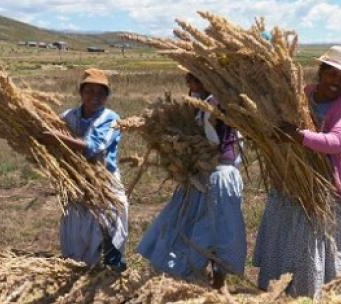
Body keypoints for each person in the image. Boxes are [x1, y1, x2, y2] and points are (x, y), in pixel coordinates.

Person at [254, 45, 341, 298]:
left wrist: (298, 136)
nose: (337, 82)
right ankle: (280, 288)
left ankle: (316, 293)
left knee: (313, 239)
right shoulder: (304, 93)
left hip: (326, 184)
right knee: (288, 232)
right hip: (292, 177)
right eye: (332, 74)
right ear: (321, 71)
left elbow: (338, 142)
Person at [137, 72, 246, 288]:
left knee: (216, 231)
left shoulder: (216, 103)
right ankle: (196, 277)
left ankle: (216, 283)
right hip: (201, 177)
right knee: (197, 227)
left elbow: (213, 141)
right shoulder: (199, 105)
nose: (192, 84)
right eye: (189, 79)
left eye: (197, 79)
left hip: (218, 178)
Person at [41, 68, 128, 271]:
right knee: (77, 226)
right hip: (76, 180)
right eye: (89, 91)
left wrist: (56, 137)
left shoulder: (111, 118)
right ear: (81, 93)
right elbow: (47, 136)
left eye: (101, 93)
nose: (95, 97)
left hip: (104, 180)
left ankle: (111, 270)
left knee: (109, 223)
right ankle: (78, 267)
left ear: (107, 96)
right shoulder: (68, 116)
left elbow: (93, 148)